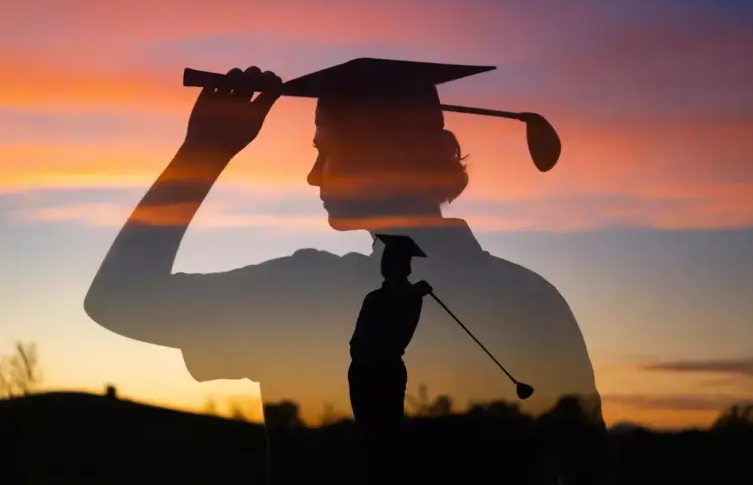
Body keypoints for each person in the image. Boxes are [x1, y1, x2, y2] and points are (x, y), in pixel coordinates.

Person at [84, 58, 611, 483]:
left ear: (375, 159)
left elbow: (120, 299)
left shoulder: (299, 292)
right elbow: (589, 467)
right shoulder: (532, 298)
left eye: (324, 151)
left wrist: (202, 154)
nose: (312, 175)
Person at [348, 234, 432, 484]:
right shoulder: (385, 297)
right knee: (371, 439)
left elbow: (397, 322)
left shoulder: (408, 298)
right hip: (365, 370)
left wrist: (414, 292)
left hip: (383, 370)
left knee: (384, 440)